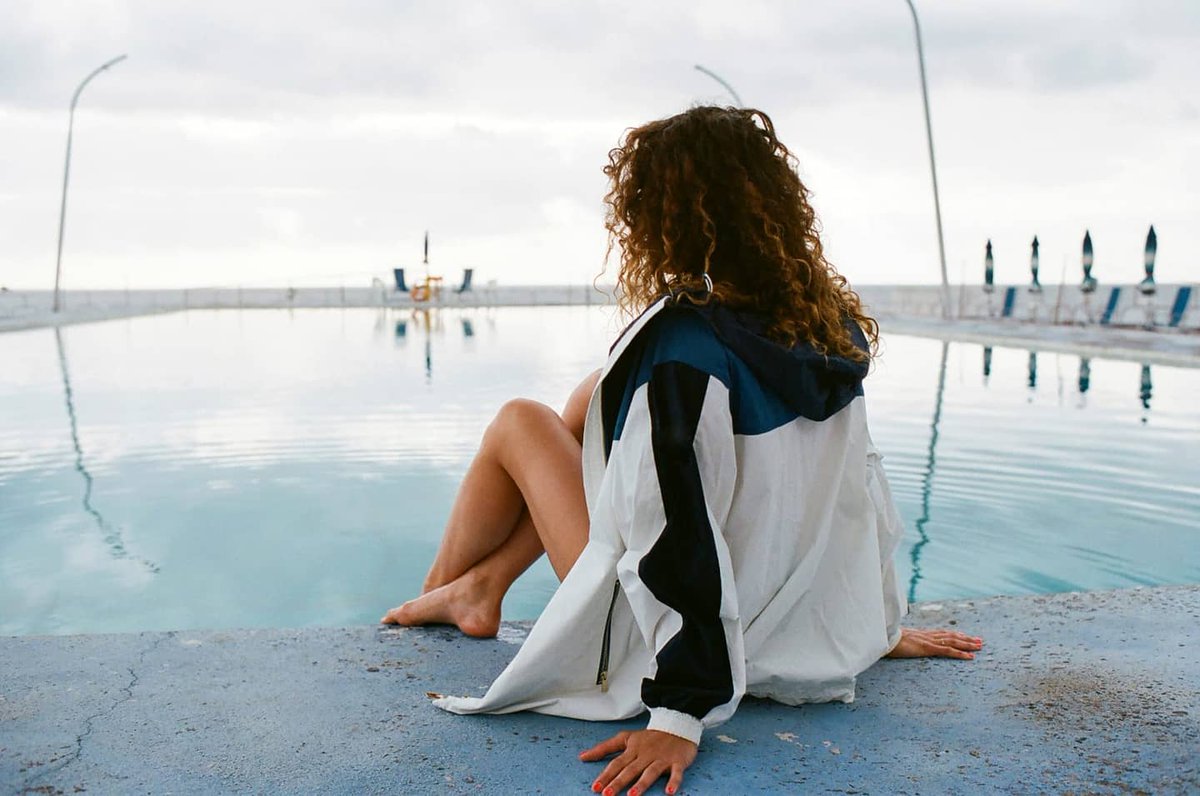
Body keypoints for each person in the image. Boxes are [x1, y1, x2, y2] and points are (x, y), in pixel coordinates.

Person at [382, 106, 983, 796]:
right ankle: (481, 588)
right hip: (785, 616)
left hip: (686, 640)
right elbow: (860, 494)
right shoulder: (831, 331)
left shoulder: (681, 357)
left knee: (520, 420)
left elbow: (671, 537)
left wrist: (678, 712)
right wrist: (871, 626)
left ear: (659, 221)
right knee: (589, 399)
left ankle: (445, 594)